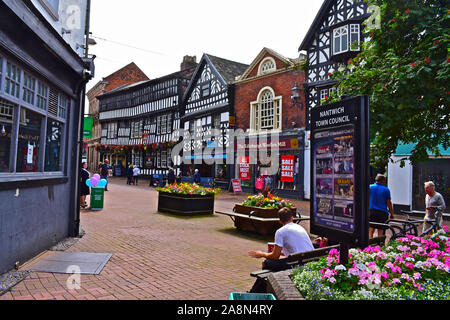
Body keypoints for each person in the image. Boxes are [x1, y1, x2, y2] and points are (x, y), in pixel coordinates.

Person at [248, 207, 314, 293]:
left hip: (297, 263)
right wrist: (279, 253)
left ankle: (256, 291)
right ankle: (256, 291)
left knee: (267, 263)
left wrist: (261, 254)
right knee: (269, 266)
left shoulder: (280, 232)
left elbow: (275, 256)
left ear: (279, 221)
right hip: (307, 259)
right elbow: (294, 249)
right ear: (292, 218)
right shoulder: (299, 227)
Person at [369, 174, 394, 238]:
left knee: (371, 231)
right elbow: (389, 203)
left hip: (371, 212)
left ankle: (369, 246)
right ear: (383, 181)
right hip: (382, 213)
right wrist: (392, 213)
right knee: (381, 231)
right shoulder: (386, 190)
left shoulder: (370, 187)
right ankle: (380, 246)